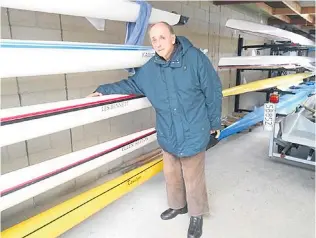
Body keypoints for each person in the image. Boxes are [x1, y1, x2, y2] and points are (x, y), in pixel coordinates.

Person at [88, 22, 222, 238]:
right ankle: (178, 205)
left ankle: (196, 215)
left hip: (194, 128)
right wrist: (103, 90)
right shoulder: (151, 68)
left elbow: (213, 90)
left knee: (193, 176)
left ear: (172, 37)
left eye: (162, 37)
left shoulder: (195, 59)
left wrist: (214, 124)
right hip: (168, 132)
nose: (158, 43)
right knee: (171, 174)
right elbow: (130, 85)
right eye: (154, 39)